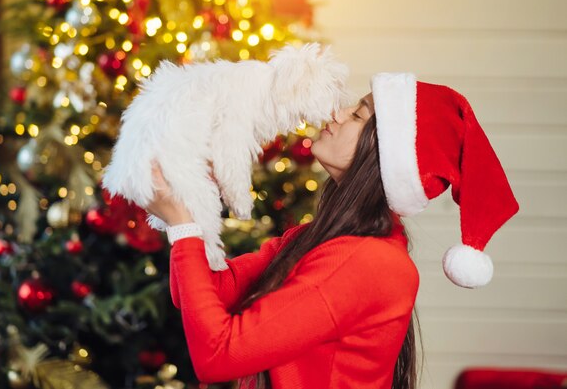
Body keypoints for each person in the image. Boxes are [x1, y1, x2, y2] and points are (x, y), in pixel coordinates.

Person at [145, 72, 519, 389]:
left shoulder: (367, 262)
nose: (336, 114)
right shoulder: (324, 240)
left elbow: (218, 355)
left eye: (358, 114)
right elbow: (208, 292)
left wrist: (183, 225)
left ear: (383, 151)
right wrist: (189, 202)